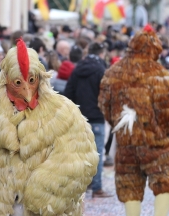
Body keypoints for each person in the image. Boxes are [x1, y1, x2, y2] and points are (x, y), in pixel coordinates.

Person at [98, 25, 169, 216]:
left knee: (129, 184)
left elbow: (104, 104)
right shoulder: (158, 74)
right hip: (154, 142)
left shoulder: (113, 72)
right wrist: (161, 130)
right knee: (168, 178)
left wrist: (119, 125)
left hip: (126, 141)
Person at [64, 42, 112, 198]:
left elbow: (68, 91)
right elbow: (107, 94)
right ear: (101, 53)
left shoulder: (77, 69)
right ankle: (97, 187)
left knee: (79, 153)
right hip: (97, 116)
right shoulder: (101, 70)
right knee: (96, 153)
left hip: (79, 116)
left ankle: (79, 187)